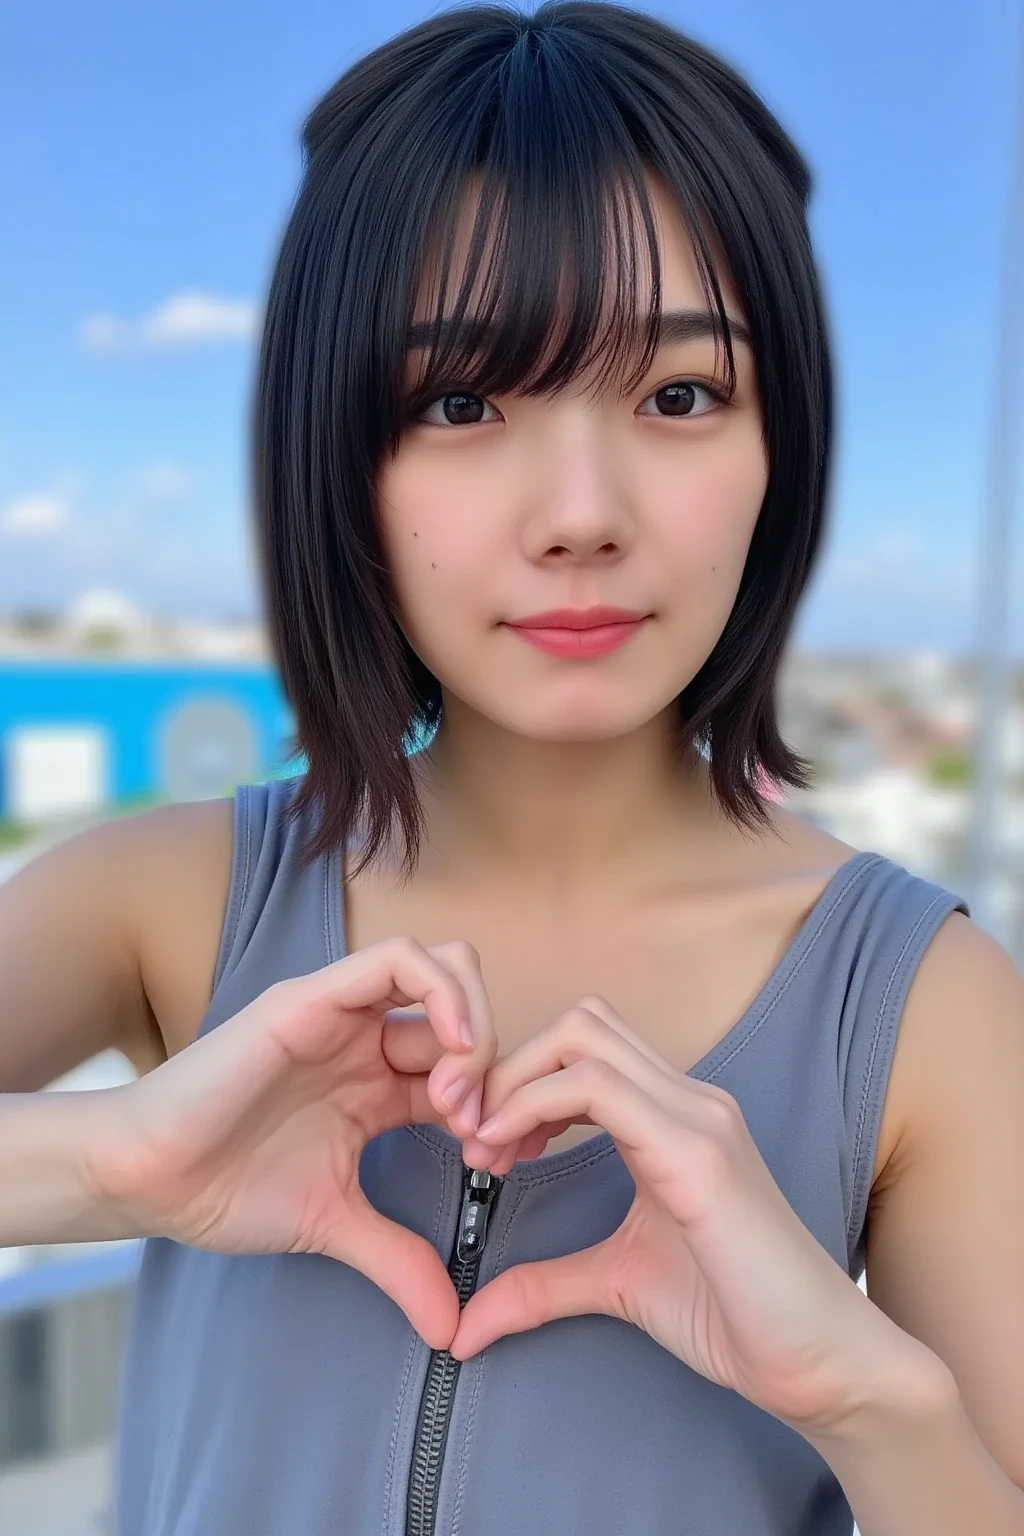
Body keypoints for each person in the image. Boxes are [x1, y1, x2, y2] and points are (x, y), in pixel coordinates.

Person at [2, 3, 1022, 1533]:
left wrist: (859, 1392)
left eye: (680, 396)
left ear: (780, 451)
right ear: (339, 451)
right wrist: (120, 1166)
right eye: (463, 401)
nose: (581, 511)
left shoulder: (926, 1005)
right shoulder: (168, 895)